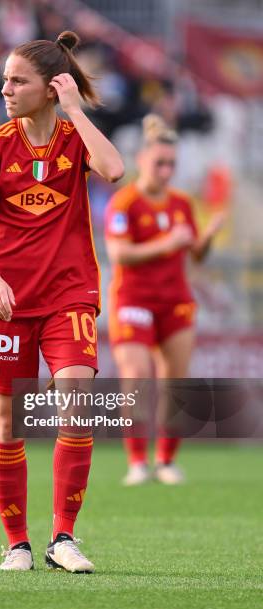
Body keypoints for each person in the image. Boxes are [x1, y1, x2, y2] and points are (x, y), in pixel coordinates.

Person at [0, 31, 124, 571]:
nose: (5, 88)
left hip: (68, 294)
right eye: (5, 78)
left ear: (50, 89)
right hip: (5, 299)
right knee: (8, 424)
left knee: (78, 403)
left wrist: (76, 109)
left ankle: (63, 538)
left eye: (17, 80)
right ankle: (17, 544)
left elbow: (115, 169)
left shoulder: (76, 139)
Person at [104, 114, 225, 486]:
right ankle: (137, 462)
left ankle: (167, 460)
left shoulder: (182, 203)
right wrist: (167, 243)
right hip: (134, 299)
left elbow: (193, 253)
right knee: (137, 377)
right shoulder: (125, 202)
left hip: (175, 300)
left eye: (172, 163)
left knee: (176, 383)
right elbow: (119, 254)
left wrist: (205, 240)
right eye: (160, 162)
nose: (166, 170)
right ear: (141, 160)